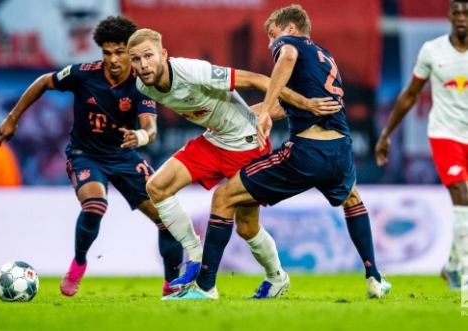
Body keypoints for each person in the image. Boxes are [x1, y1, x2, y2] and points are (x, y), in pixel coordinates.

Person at [170, 4, 392, 300]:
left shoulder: (289, 45)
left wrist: (266, 105)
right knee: (352, 198)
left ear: (289, 29)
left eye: (272, 35)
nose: (270, 43)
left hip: (307, 153)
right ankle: (375, 277)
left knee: (224, 197)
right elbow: (278, 108)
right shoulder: (323, 58)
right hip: (340, 150)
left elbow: (285, 58)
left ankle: (206, 286)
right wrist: (242, 117)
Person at [126, 27, 342, 300]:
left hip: (246, 143)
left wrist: (303, 103)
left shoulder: (191, 71)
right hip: (215, 140)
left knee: (247, 227)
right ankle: (195, 258)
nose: (143, 65)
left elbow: (256, 79)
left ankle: (277, 279)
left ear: (163, 55)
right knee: (156, 187)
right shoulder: (143, 85)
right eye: (136, 59)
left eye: (148, 56)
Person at [0, 16, 184, 297]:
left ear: (131, 52)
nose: (113, 59)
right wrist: (12, 118)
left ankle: (172, 286)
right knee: (95, 205)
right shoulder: (83, 73)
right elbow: (43, 82)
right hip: (86, 154)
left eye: (120, 52)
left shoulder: (141, 84)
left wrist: (142, 136)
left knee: (168, 220)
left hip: (124, 156)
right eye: (107, 52)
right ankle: (79, 263)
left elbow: (150, 127)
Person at [375, 0, 468, 290]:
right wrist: (386, 133)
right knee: (462, 195)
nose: (462, 17)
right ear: (449, 17)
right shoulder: (432, 51)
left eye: (467, 12)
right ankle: (464, 276)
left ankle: (452, 265)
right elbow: (410, 94)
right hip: (445, 135)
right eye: (457, 13)